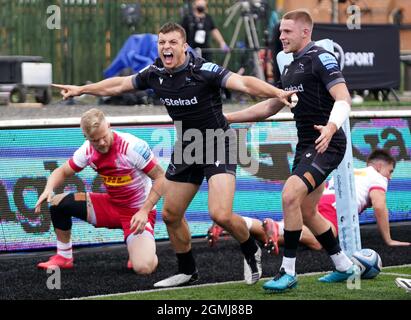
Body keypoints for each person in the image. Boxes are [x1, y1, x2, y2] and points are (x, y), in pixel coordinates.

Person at [52, 22, 294, 287]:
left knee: (220, 214)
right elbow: (120, 84)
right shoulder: (154, 72)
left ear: (184, 46)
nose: (166, 47)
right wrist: (82, 89)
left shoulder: (203, 70)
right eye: (161, 42)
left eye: (172, 42)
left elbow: (244, 83)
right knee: (170, 214)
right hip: (187, 146)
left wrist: (277, 92)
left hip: (219, 142)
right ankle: (187, 271)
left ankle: (250, 250)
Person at [225, 9, 361, 292]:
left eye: (287, 31)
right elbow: (270, 106)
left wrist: (331, 127)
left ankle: (288, 271)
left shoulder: (321, 58)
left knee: (289, 195)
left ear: (305, 32)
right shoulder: (290, 66)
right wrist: (228, 118)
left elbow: (344, 97)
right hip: (307, 146)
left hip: (327, 142)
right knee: (308, 211)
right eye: (281, 31)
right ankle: (345, 266)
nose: (280, 36)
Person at [35, 108, 165, 275]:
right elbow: (61, 172)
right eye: (95, 140)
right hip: (110, 206)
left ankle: (142, 251)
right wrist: (48, 189)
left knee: (143, 268)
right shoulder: (87, 150)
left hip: (137, 213)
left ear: (109, 126)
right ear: (87, 138)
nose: (102, 143)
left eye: (104, 137)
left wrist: (145, 211)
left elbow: (161, 178)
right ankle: (64, 256)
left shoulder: (132, 147)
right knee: (56, 202)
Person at [207, 149, 411, 252]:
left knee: (276, 235)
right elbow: (379, 205)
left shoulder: (355, 171)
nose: (390, 176)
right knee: (321, 242)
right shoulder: (377, 177)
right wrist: (388, 239)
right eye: (390, 171)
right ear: (378, 167)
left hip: (318, 201)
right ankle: (276, 230)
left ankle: (231, 223)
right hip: (333, 209)